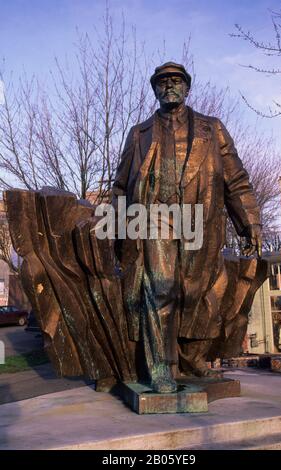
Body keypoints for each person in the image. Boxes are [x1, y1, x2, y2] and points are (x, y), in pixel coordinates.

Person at [112, 62, 262, 393]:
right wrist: (117, 232)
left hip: (201, 220)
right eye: (163, 82)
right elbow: (121, 186)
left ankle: (193, 360)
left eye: (176, 80)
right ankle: (161, 366)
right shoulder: (139, 134)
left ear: (187, 87)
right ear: (154, 89)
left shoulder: (213, 129)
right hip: (154, 219)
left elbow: (235, 179)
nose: (169, 86)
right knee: (162, 289)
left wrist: (249, 222)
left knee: (201, 292)